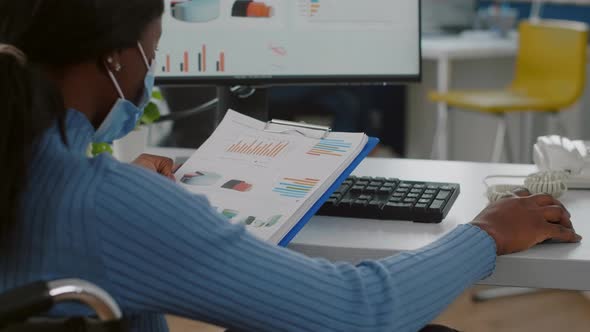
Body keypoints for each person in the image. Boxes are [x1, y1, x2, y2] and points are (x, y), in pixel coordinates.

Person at [0, 1, 581, 331]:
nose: (152, 67)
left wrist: (139, 203)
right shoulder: (103, 202)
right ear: (113, 57)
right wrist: (486, 233)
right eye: (154, 51)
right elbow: (357, 313)